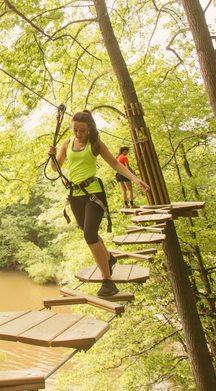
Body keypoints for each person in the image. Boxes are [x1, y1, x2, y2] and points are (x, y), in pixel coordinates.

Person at [47, 110, 149, 297]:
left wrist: (135, 180)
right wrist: (53, 156)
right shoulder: (67, 143)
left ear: (89, 129)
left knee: (89, 234)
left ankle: (108, 282)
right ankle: (109, 258)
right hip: (75, 195)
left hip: (94, 193)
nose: (78, 134)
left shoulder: (95, 144)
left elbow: (115, 164)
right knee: (89, 232)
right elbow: (55, 168)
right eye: (75, 130)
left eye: (82, 131)